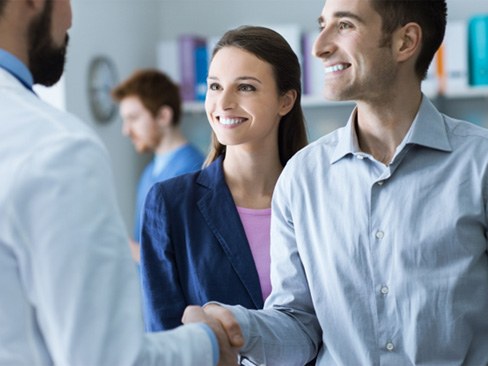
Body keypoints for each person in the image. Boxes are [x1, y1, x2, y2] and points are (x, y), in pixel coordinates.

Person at [187, 0, 488, 364]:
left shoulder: (479, 164)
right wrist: (240, 326)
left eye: (344, 26)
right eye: (322, 25)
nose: (319, 46)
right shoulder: (301, 178)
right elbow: (299, 327)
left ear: (405, 42)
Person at [0, 0, 241, 364]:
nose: (71, 16)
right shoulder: (57, 148)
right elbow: (108, 358)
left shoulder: (189, 172)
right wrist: (209, 341)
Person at [140, 25, 308, 331]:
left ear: (285, 101)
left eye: (245, 87)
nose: (223, 102)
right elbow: (165, 338)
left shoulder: (317, 200)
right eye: (215, 86)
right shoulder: (171, 203)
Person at [111, 69, 204, 263]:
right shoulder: (149, 173)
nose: (126, 130)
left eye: (133, 118)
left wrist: (124, 247)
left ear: (163, 116)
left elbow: (186, 258)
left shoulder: (194, 172)